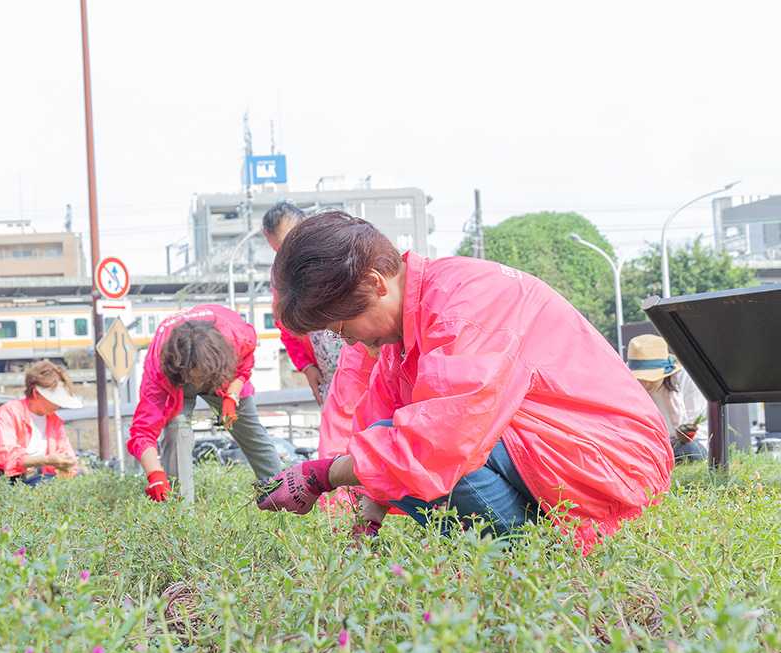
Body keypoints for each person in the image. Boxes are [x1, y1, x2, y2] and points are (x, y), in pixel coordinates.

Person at [256, 210, 674, 553]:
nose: (348, 341)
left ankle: (531, 553)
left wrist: (320, 475)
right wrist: (367, 527)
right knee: (389, 446)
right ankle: (521, 548)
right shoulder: (407, 328)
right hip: (563, 453)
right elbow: (379, 428)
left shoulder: (464, 306)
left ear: (374, 283)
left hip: (611, 463)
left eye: (342, 326)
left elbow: (435, 444)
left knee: (423, 454)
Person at [129, 304, 283, 502]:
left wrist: (232, 396)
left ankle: (281, 497)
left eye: (200, 377)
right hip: (176, 382)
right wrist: (155, 475)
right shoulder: (159, 369)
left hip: (220, 374)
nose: (196, 382)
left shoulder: (236, 338)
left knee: (251, 430)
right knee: (177, 430)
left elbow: (244, 364)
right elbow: (143, 431)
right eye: (192, 376)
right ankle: (182, 515)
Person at [264, 203, 342, 407]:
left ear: (306, 224)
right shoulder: (278, 272)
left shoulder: (332, 249)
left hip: (359, 348)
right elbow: (285, 325)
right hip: (323, 366)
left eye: (291, 242)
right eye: (280, 249)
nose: (288, 255)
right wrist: (306, 366)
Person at [0, 360, 82, 486]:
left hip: (29, 480)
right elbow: (7, 456)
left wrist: (66, 464)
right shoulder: (8, 412)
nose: (58, 404)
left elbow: (67, 459)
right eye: (55, 399)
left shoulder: (54, 422)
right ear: (36, 393)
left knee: (51, 482)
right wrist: (48, 460)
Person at [626, 334, 708, 463]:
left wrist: (686, 433)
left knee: (690, 451)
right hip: (652, 444)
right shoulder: (631, 388)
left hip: (687, 444)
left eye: (650, 378)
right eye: (640, 379)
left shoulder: (688, 380)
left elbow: (695, 425)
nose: (646, 384)